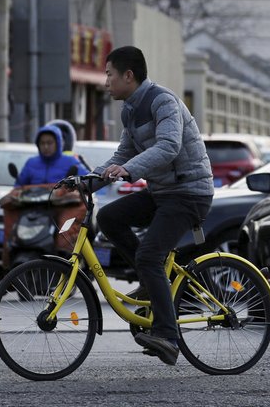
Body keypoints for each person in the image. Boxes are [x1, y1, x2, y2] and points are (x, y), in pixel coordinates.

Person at [92, 46, 214, 366]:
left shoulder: (162, 100)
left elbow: (169, 147)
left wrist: (131, 170)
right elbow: (122, 154)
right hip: (163, 192)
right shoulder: (130, 110)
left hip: (189, 193)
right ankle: (149, 281)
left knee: (149, 255)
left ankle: (168, 336)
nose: (106, 81)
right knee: (108, 216)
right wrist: (89, 180)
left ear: (128, 76)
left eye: (109, 75)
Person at [15, 124, 89, 187]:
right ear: (38, 145)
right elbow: (19, 186)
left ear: (58, 143)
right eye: (42, 143)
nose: (46, 147)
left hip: (63, 203)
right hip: (33, 202)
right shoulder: (31, 163)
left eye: (49, 143)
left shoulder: (71, 161)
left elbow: (88, 181)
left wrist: (77, 185)